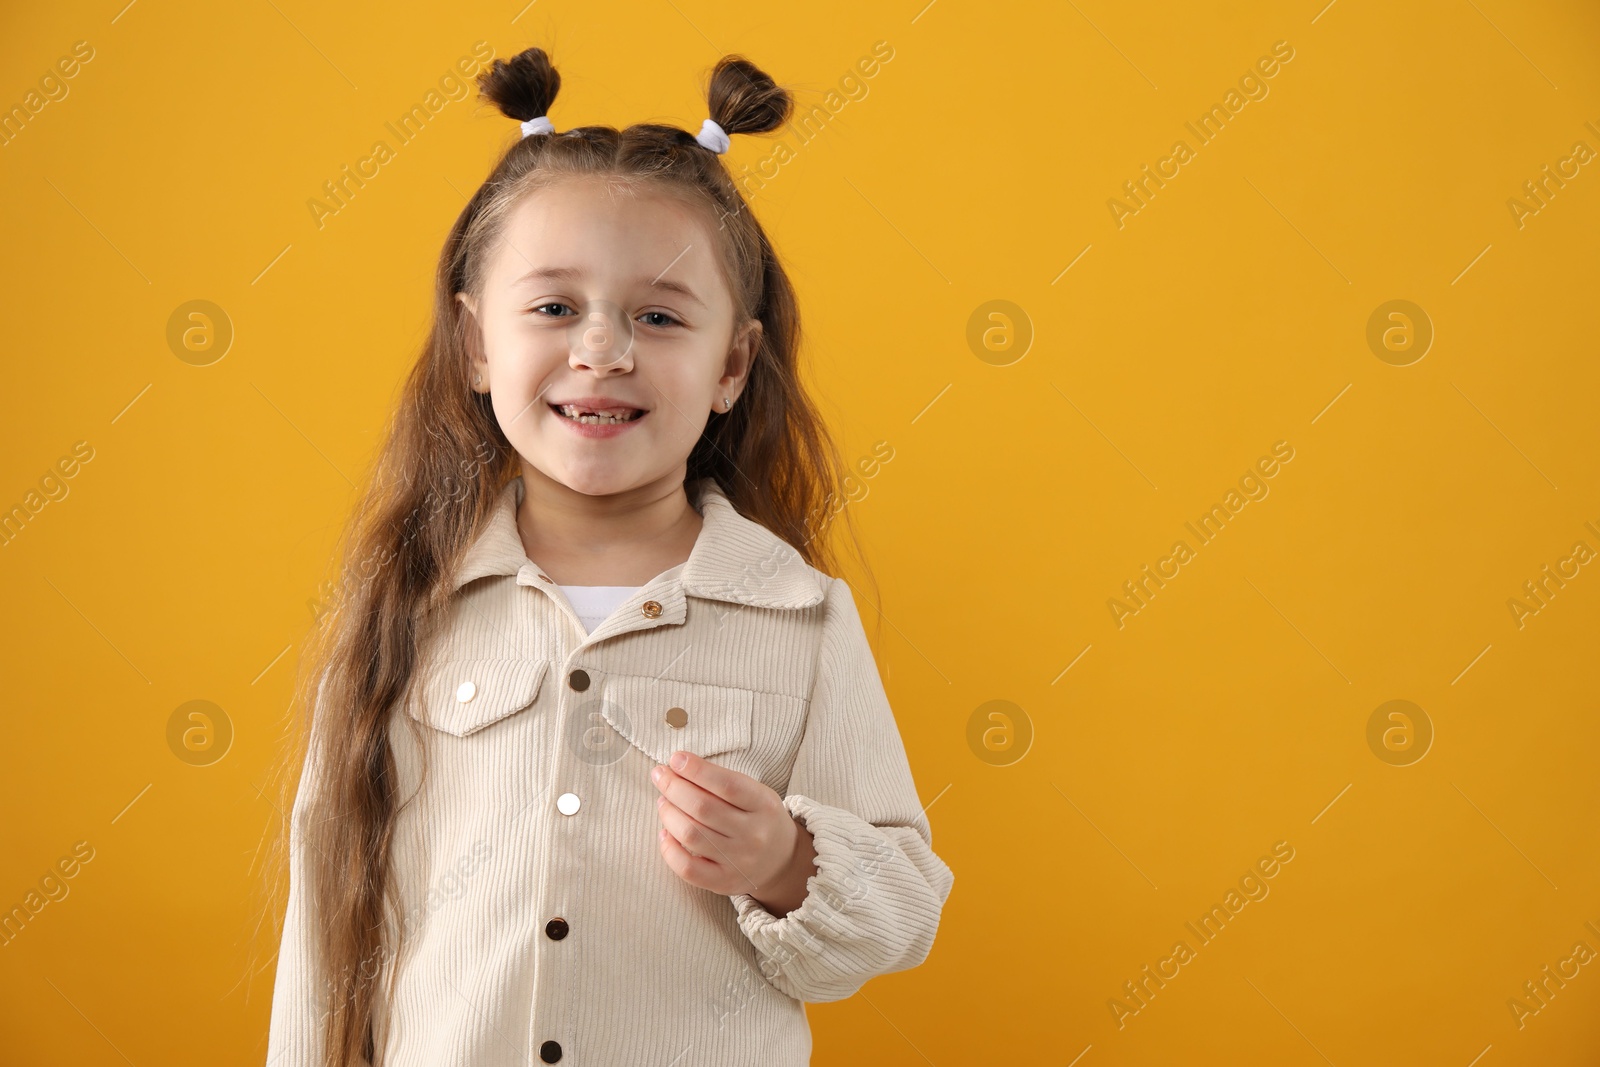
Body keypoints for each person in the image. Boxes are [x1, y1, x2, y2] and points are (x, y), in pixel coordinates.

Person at [263, 45, 954, 1067]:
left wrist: (783, 860)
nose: (603, 349)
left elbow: (902, 904)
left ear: (730, 364)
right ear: (475, 344)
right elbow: (326, 926)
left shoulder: (798, 615)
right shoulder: (404, 607)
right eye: (552, 307)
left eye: (659, 316)